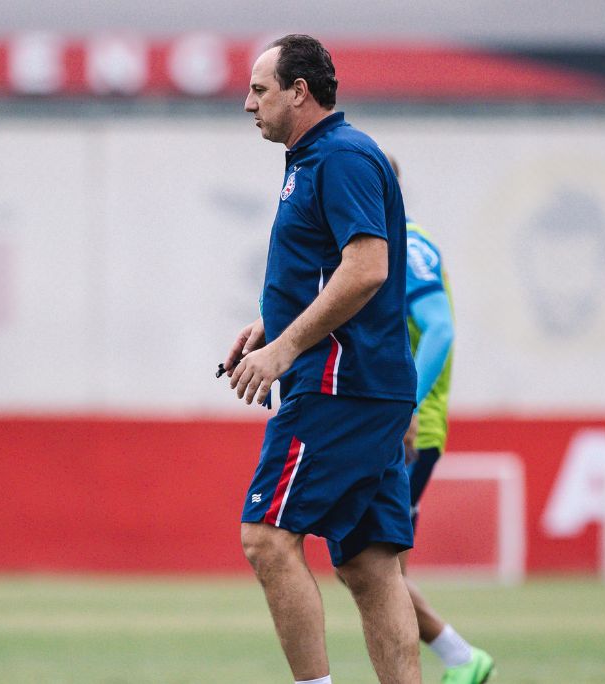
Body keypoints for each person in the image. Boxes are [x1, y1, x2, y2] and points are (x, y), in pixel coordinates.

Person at [225, 35, 420, 684]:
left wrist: (284, 347)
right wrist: (269, 323)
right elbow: (333, 268)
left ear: (299, 91)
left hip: (338, 386)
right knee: (368, 565)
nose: (248, 103)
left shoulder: (339, 157)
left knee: (266, 538)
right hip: (365, 386)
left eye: (260, 90)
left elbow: (368, 268)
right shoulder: (315, 158)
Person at [388, 155, 495, 684]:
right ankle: (458, 659)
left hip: (411, 432)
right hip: (394, 430)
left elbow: (440, 330)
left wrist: (406, 403)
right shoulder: (383, 246)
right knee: (370, 566)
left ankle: (459, 659)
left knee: (371, 566)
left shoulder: (409, 246)